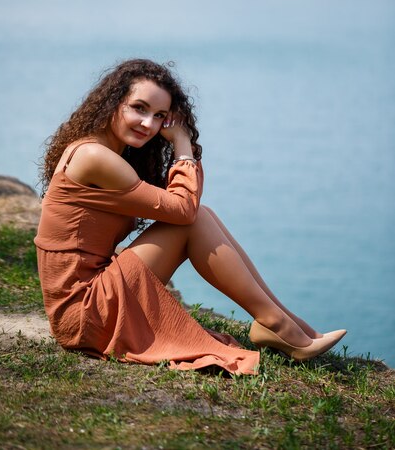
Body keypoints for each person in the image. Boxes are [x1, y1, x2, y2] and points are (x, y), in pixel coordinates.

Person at [35, 58, 346, 375]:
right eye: (138, 108)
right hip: (84, 314)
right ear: (113, 103)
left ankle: (284, 322)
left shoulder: (105, 152)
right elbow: (183, 210)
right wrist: (182, 144)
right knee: (193, 219)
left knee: (200, 215)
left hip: (87, 302)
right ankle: (277, 324)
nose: (149, 124)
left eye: (159, 116)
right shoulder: (94, 156)